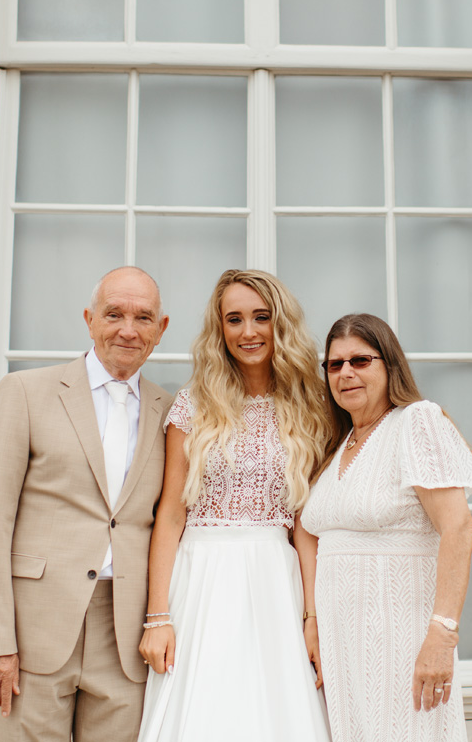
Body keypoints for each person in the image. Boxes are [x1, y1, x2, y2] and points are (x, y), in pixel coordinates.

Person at [0, 266, 174, 742]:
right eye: (114, 314)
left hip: (125, 636)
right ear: (89, 319)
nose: (128, 330)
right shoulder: (25, 392)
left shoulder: (170, 412)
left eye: (143, 318)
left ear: (161, 329)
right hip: (33, 630)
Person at [137, 269, 332, 742]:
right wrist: (157, 617)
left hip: (275, 582)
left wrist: (312, 618)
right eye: (235, 319)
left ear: (280, 323)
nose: (248, 332)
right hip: (201, 580)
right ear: (220, 328)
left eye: (261, 317)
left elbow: (305, 525)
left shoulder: (309, 407)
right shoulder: (192, 405)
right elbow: (171, 516)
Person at [297, 313, 472, 741]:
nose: (345, 373)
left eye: (360, 360)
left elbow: (459, 529)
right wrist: (313, 619)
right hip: (342, 646)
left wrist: (442, 635)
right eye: (335, 364)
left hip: (403, 641)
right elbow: (309, 530)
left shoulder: (416, 421)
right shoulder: (336, 444)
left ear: (390, 365)